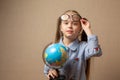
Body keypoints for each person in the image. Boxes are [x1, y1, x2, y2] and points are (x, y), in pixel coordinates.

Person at [43, 10, 102, 80]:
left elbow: (95, 51)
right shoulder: (53, 48)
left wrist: (87, 29)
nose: (70, 26)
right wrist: (51, 71)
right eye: (66, 23)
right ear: (61, 28)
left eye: (75, 24)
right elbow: (47, 70)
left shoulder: (83, 47)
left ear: (80, 29)